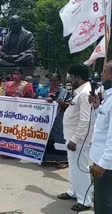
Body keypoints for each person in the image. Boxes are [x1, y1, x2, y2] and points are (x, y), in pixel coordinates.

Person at [57, 64, 93, 212]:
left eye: (72, 77)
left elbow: (85, 119)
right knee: (73, 167)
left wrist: (75, 139)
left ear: (78, 77)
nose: (71, 80)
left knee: (80, 168)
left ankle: (85, 200)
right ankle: (73, 191)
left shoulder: (85, 93)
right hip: (72, 138)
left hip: (78, 141)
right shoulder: (81, 92)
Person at [89, 62, 112, 214]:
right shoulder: (108, 97)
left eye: (104, 71)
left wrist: (103, 164)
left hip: (107, 166)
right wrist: (97, 108)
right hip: (101, 158)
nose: (101, 74)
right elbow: (103, 126)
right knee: (100, 200)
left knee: (104, 204)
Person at [43, 74, 72, 165]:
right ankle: (46, 159)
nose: (52, 83)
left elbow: (71, 106)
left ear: (59, 82)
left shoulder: (64, 92)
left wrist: (63, 104)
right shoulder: (45, 91)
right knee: (47, 138)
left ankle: (61, 160)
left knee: (58, 139)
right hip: (46, 120)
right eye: (51, 80)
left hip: (59, 120)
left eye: (55, 81)